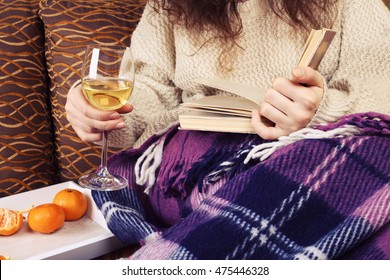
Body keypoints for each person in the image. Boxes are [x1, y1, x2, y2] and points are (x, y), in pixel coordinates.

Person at [65, 0, 390, 260]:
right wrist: (103, 112)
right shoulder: (167, 7)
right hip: (196, 160)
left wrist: (321, 110)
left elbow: (381, 93)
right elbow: (149, 89)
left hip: (311, 148)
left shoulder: (354, 5)